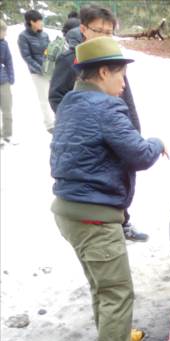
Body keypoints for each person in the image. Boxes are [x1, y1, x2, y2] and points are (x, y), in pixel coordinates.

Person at [50, 36, 167, 341]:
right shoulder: (106, 108)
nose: (124, 83)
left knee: (102, 285)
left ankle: (115, 336)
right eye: (120, 75)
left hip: (68, 211)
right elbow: (138, 153)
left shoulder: (70, 102)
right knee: (117, 291)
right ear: (103, 72)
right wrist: (159, 143)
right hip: (94, 216)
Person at [49, 5, 147, 242]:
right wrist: (83, 120)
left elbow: (125, 96)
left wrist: (133, 128)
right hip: (89, 139)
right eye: (99, 31)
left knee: (119, 178)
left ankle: (123, 221)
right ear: (83, 29)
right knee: (101, 181)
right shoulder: (71, 60)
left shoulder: (111, 57)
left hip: (115, 127)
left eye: (109, 32)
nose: (105, 36)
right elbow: (56, 96)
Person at [17, 9, 54, 133]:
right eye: (39, 21)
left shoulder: (44, 34)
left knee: (54, 95)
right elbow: (27, 57)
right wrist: (40, 69)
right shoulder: (23, 37)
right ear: (32, 22)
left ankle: (59, 119)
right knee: (44, 98)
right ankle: (49, 124)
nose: (41, 23)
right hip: (37, 73)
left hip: (50, 70)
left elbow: (49, 50)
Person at [0, 20, 15, 147]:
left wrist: (11, 77)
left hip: (3, 81)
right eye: (3, 31)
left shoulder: (4, 44)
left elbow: (9, 61)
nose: (5, 34)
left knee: (7, 109)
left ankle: (7, 134)